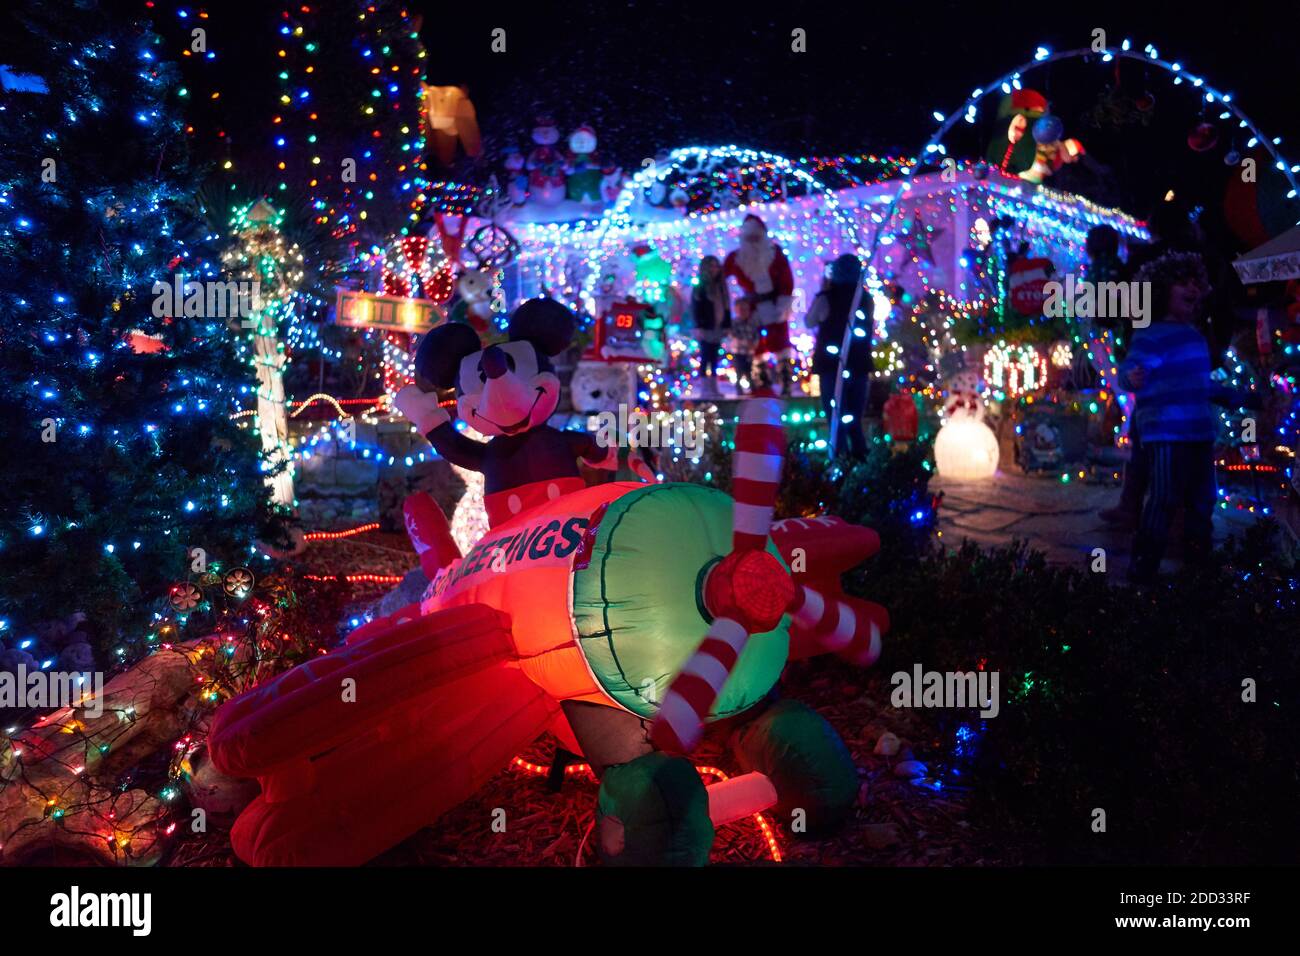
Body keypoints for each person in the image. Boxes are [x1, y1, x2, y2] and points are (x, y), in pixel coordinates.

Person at [1117, 252, 1216, 584]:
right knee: (1163, 498)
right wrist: (1131, 377)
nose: (1192, 287)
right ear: (1160, 290)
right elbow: (1128, 370)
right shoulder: (1151, 334)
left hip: (1200, 432)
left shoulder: (1197, 337)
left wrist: (1236, 397)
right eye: (1182, 282)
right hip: (1165, 434)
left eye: (1195, 282)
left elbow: (1200, 385)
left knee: (1203, 499)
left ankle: (1197, 562)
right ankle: (1143, 566)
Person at [806, 254, 872, 457]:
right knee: (854, 417)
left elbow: (810, 321)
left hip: (831, 365)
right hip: (858, 363)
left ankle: (839, 460)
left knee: (836, 416)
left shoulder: (826, 298)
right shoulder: (865, 299)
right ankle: (859, 458)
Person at [724, 214, 796, 395]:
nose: (754, 242)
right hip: (752, 309)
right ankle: (762, 383)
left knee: (781, 343)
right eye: (750, 238)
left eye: (757, 237)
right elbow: (720, 277)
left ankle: (785, 381)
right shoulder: (736, 258)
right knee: (756, 346)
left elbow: (787, 280)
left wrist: (783, 303)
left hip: (775, 304)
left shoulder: (775, 253)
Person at [690, 255, 730, 395]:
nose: (714, 270)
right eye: (710, 266)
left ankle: (713, 387)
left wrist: (726, 325)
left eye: (716, 266)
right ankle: (704, 388)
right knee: (705, 357)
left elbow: (726, 307)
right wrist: (698, 325)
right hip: (705, 328)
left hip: (717, 328)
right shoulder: (700, 287)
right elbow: (696, 308)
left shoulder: (721, 287)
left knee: (714, 358)